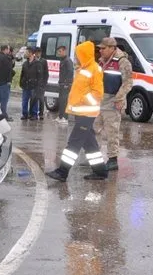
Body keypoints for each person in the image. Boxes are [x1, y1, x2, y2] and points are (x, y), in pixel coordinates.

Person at [46, 41, 107, 182]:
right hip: (82, 113)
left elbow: (98, 93)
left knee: (73, 143)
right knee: (89, 144)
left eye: (77, 54)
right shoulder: (83, 69)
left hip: (86, 114)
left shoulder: (94, 69)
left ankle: (62, 172)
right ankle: (100, 171)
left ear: (84, 54)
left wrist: (82, 99)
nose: (76, 57)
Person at [94, 37, 133, 170]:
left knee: (112, 132)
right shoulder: (101, 61)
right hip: (100, 100)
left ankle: (112, 159)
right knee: (94, 129)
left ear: (112, 48)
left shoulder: (123, 62)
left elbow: (127, 82)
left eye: (103, 48)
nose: (100, 51)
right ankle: (95, 158)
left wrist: (119, 99)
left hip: (112, 101)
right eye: (100, 48)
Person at [0, 45, 14, 120]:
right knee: (4, 100)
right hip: (4, 83)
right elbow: (9, 70)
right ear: (5, 49)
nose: (9, 51)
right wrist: (9, 81)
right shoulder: (6, 58)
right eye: (8, 49)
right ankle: (4, 116)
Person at [19, 48, 40, 120]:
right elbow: (22, 74)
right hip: (25, 85)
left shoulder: (37, 63)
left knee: (34, 101)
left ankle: (34, 114)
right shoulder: (25, 63)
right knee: (24, 101)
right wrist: (21, 83)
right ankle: (25, 114)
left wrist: (39, 85)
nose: (25, 53)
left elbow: (40, 75)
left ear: (31, 53)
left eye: (27, 52)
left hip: (34, 85)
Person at [56, 45, 73, 125]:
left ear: (64, 51)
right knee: (61, 101)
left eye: (60, 51)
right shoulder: (62, 60)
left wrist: (67, 83)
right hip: (61, 83)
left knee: (65, 101)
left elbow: (70, 72)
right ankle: (60, 116)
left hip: (66, 84)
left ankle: (65, 118)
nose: (59, 53)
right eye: (58, 52)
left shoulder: (68, 61)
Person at [33, 46, 49, 120]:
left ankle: (41, 114)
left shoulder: (44, 61)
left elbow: (46, 74)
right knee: (34, 99)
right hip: (34, 84)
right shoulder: (32, 60)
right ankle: (33, 113)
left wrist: (44, 83)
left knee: (41, 99)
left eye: (39, 52)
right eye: (36, 53)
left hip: (41, 84)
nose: (37, 54)